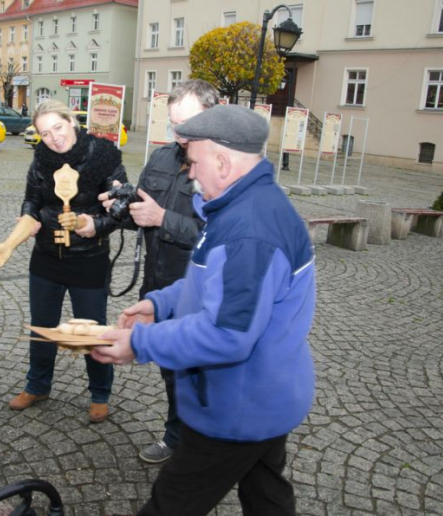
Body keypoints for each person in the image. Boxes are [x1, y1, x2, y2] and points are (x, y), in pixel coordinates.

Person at [92, 105, 316, 515]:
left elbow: (228, 334)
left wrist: (139, 342)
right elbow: (213, 285)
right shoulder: (242, 205)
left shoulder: (250, 229)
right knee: (267, 497)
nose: (189, 172)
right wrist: (161, 304)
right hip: (265, 396)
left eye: (193, 162)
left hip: (236, 406)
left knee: (171, 506)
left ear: (224, 162)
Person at [98, 79, 216, 464]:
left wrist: (163, 218)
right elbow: (141, 216)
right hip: (159, 285)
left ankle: (202, 444)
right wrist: (122, 203)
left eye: (188, 125)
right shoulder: (162, 158)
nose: (180, 135)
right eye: (174, 125)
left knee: (199, 371)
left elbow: (217, 239)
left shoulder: (221, 169)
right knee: (172, 370)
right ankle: (177, 436)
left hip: (199, 293)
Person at [0, 99, 127, 424]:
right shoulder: (42, 159)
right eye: (45, 133)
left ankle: (99, 394)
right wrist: (17, 234)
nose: (55, 138)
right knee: (42, 328)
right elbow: (32, 201)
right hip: (46, 258)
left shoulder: (103, 155)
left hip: (89, 259)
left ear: (72, 122)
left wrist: (92, 225)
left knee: (91, 331)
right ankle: (37, 386)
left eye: (59, 128)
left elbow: (120, 208)